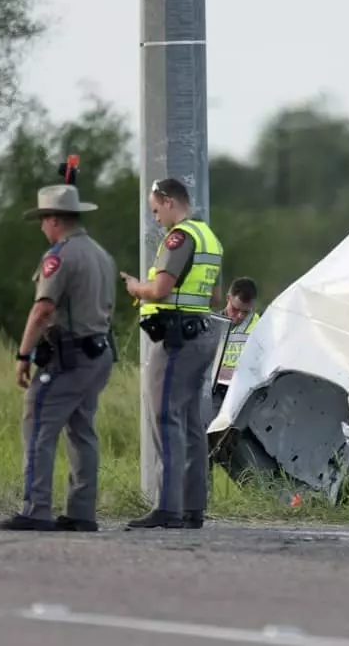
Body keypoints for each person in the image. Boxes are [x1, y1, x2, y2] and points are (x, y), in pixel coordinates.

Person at [0, 184, 118, 532]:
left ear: (54, 219)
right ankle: (82, 511)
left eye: (42, 219)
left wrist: (23, 354)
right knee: (82, 430)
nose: (40, 227)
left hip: (70, 356)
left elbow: (43, 308)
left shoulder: (60, 256)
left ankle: (36, 509)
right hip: (99, 352)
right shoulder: (100, 254)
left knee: (37, 426)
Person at [120, 177, 223, 530]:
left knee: (165, 418)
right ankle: (192, 507)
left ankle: (168, 507)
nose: (155, 219)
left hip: (178, 340)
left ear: (168, 201)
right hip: (202, 334)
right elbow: (215, 297)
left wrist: (136, 287)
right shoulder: (209, 237)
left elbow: (161, 289)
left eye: (155, 210)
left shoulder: (180, 237)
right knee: (191, 422)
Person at [212, 277, 261, 410]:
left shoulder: (260, 327)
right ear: (228, 298)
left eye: (245, 312)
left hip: (242, 397)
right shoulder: (213, 324)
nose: (239, 316)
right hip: (214, 393)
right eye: (235, 309)